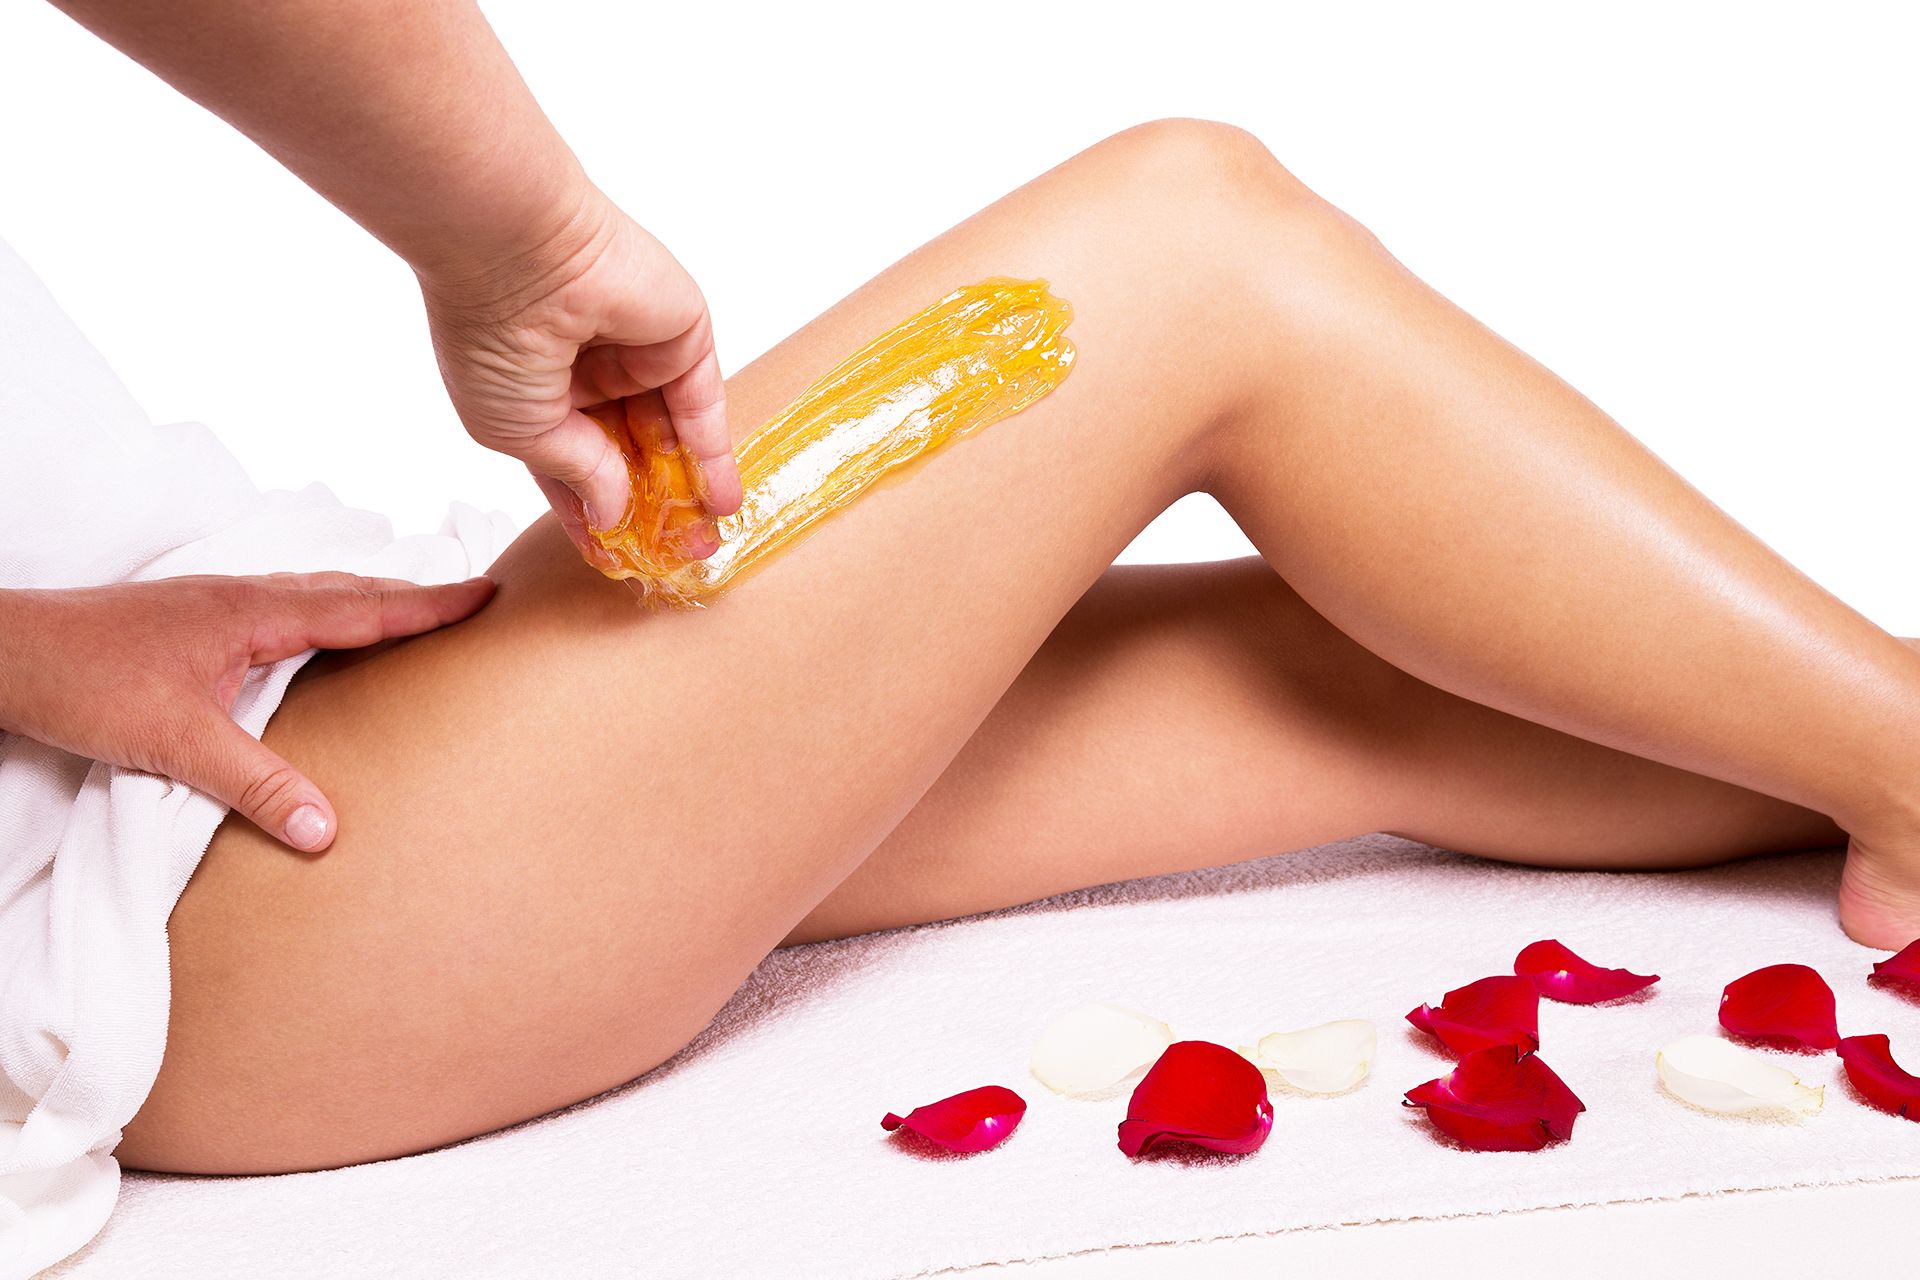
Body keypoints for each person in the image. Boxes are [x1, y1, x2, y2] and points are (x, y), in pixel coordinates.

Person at [6, 1, 1916, 1197]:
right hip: (206, 895)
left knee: (1344, 672)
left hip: (236, 764)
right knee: (1194, 256)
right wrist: (527, 240)